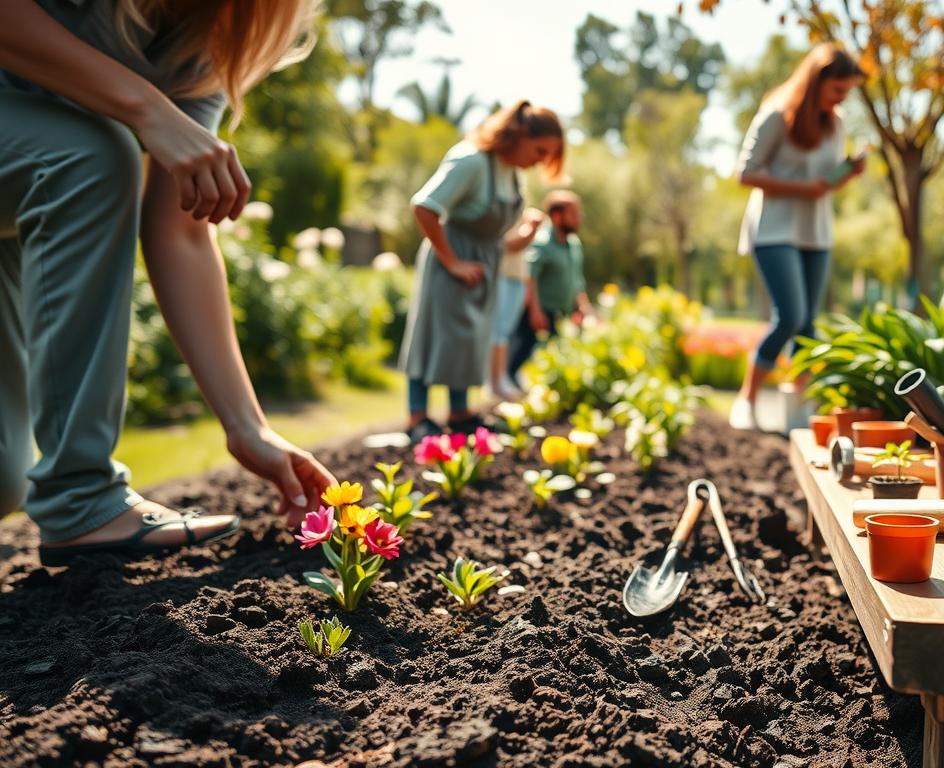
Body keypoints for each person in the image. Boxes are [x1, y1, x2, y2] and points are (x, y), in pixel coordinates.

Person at [0, 0, 336, 567]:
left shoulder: (216, 34)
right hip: (43, 168)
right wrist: (147, 110)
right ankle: (82, 496)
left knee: (2, 480)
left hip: (18, 207)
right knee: (90, 156)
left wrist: (247, 427)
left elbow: (180, 231)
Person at [401, 101, 565, 440]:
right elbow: (425, 207)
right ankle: (418, 417)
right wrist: (452, 261)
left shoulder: (512, 174)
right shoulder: (473, 160)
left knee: (469, 341)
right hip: (450, 263)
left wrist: (526, 235)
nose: (540, 161)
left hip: (483, 267)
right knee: (433, 336)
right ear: (520, 134)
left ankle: (459, 414)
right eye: (540, 151)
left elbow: (497, 242)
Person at [730, 43, 867, 431]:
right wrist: (804, 188)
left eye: (847, 92)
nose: (842, 99)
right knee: (789, 317)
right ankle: (748, 398)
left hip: (816, 231)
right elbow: (746, 174)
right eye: (837, 90)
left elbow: (822, 184)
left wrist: (846, 174)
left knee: (808, 325)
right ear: (816, 80)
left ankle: (796, 410)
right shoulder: (776, 115)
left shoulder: (835, 123)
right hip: (774, 229)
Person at [507, 190, 590, 385]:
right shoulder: (542, 244)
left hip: (562, 314)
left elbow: (577, 279)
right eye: (574, 214)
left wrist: (582, 306)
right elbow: (529, 278)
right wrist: (535, 311)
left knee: (557, 361)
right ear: (557, 216)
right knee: (519, 356)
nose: (579, 219)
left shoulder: (573, 244)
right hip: (540, 314)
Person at [489, 206, 547, 401]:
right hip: (504, 275)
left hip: (517, 276)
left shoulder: (518, 209)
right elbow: (510, 244)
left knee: (505, 331)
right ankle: (495, 381)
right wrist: (531, 227)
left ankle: (501, 377)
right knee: (498, 331)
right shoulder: (502, 213)